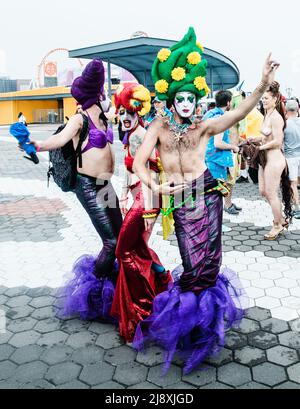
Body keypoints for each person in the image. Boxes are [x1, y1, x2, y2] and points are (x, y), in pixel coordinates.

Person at [132, 27, 280, 374]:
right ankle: (191, 323)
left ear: (196, 99)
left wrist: (261, 83)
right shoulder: (158, 127)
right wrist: (155, 182)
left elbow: (240, 112)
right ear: (171, 100)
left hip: (207, 193)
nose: (185, 104)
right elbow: (139, 163)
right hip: (180, 200)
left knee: (209, 265)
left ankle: (204, 331)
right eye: (179, 99)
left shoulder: (205, 126)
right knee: (190, 262)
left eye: (190, 99)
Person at [31, 59, 123, 320]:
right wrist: (35, 145)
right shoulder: (80, 119)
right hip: (89, 186)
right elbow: (58, 140)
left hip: (106, 183)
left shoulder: (103, 115)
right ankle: (93, 290)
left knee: (122, 232)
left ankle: (112, 283)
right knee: (111, 241)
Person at [111, 83, 172, 342]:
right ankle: (159, 280)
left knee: (123, 251)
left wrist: (146, 209)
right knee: (134, 249)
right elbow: (131, 169)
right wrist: (124, 194)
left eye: (130, 114)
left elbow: (151, 171)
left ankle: (142, 306)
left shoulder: (139, 136)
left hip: (146, 198)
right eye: (122, 113)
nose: (125, 118)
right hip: (138, 196)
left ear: (139, 114)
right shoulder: (131, 135)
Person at [248, 82, 293, 240]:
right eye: (262, 98)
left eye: (266, 98)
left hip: (274, 159)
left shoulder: (276, 118)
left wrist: (260, 148)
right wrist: (256, 139)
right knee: (263, 191)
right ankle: (281, 219)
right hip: (264, 159)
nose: (263, 101)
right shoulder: (266, 115)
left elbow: (278, 142)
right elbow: (268, 137)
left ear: (275, 99)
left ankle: (277, 224)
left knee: (271, 193)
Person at [204, 90, 242, 215]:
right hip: (215, 160)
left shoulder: (209, 114)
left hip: (208, 158)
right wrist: (233, 147)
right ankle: (214, 222)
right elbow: (218, 143)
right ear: (229, 102)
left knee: (211, 192)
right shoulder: (220, 118)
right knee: (216, 193)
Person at [284, 99, 300, 219]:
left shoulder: (285, 124)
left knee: (293, 183)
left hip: (291, 157)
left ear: (286, 109)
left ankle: (297, 208)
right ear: (298, 109)